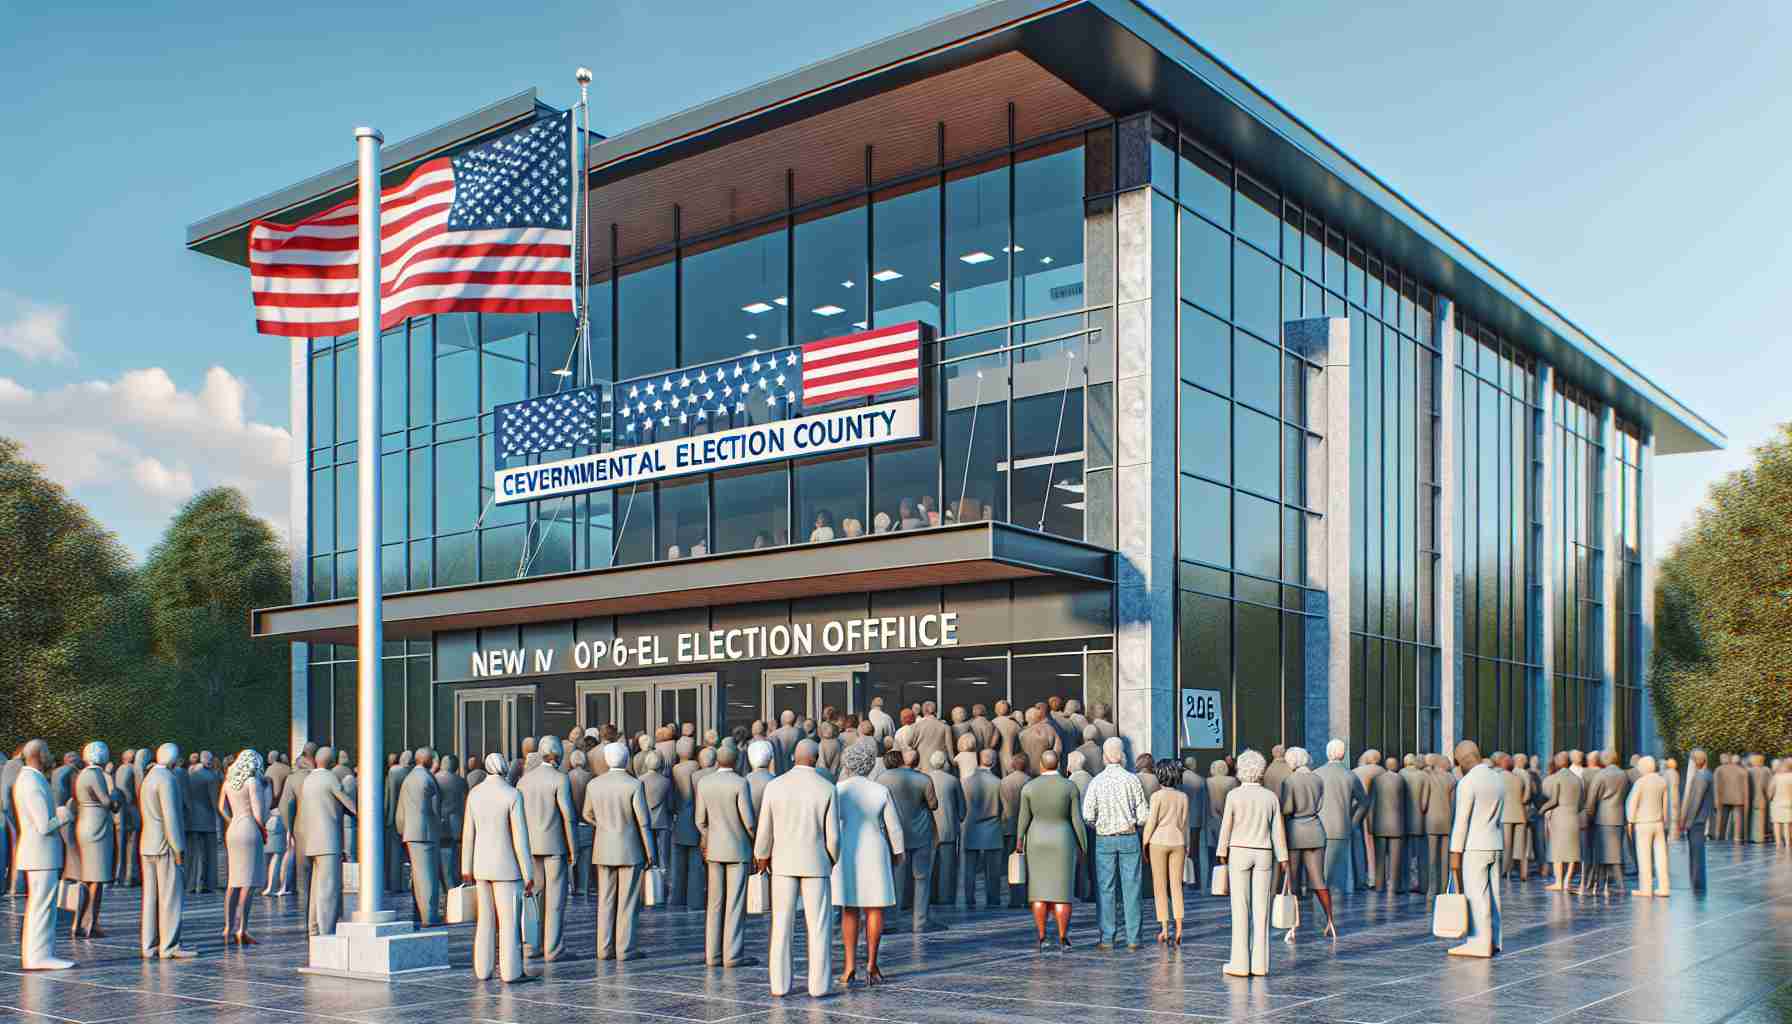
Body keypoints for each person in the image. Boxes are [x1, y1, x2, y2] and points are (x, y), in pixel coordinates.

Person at [755, 739, 840, 998]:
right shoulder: (827, 788)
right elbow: (833, 836)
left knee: (781, 924)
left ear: (794, 757)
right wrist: (831, 858)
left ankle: (779, 985)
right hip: (816, 861)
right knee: (819, 926)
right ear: (815, 759)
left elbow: (764, 827)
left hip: (782, 862)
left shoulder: (775, 785)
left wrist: (762, 855)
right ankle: (819, 985)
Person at [832, 744, 903, 986]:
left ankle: (849, 965)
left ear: (847, 763)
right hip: (875, 848)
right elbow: (893, 826)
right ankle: (872, 964)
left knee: (849, 909)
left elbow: (830, 823)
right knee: (875, 908)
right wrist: (898, 852)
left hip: (847, 848)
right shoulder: (880, 790)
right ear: (871, 763)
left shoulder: (838, 789)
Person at [462, 753, 535, 983]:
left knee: (485, 921)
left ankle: (483, 970)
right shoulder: (512, 795)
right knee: (509, 922)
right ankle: (511, 971)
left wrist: (466, 867)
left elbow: (468, 834)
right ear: (504, 768)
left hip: (480, 866)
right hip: (507, 868)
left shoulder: (475, 794)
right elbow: (520, 839)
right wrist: (528, 873)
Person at [1216, 749, 1287, 978]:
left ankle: (1239, 963)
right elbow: (1278, 831)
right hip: (1264, 852)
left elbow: (1226, 825)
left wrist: (1221, 851)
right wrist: (1283, 857)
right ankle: (1260, 964)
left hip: (1238, 851)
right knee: (1261, 910)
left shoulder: (1234, 795)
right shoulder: (1270, 797)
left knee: (1240, 908)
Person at [583, 743, 654, 961]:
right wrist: (650, 850)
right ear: (626, 759)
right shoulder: (634, 784)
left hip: (603, 847)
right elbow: (643, 822)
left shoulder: (594, 785)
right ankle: (625, 949)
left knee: (605, 900)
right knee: (628, 901)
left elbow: (587, 814)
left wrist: (602, 825)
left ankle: (603, 949)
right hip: (630, 847)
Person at [14, 740, 77, 970]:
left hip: (39, 854)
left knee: (41, 906)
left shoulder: (31, 779)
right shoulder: (31, 781)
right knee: (42, 906)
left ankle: (40, 954)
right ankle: (39, 956)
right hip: (40, 854)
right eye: (48, 751)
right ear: (39, 755)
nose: (51, 755)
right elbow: (44, 824)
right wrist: (64, 813)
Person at [1082, 737, 1148, 951]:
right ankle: (1133, 938)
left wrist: (1098, 826)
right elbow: (1143, 816)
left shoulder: (1096, 781)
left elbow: (1087, 815)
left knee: (1105, 889)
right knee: (1132, 888)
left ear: (1104, 756)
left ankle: (1108, 938)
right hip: (1129, 836)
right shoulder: (1132, 780)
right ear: (1122, 755)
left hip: (1104, 839)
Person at [1016, 749, 1086, 950]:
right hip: (1062, 840)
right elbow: (1076, 820)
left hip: (1037, 839)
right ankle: (1063, 937)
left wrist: (1019, 841)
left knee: (1039, 891)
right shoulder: (1069, 787)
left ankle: (1042, 936)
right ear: (1058, 764)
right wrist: (1083, 845)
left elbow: (1023, 819)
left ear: (1041, 764)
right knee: (1062, 892)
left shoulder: (1029, 788)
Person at [695, 743, 756, 968]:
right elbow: (748, 821)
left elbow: (700, 819)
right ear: (736, 760)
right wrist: (755, 841)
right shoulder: (740, 783)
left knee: (714, 903)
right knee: (735, 903)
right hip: (738, 847)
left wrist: (707, 835)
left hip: (713, 847)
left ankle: (712, 954)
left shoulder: (704, 782)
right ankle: (732, 954)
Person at [518, 736, 576, 961]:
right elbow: (568, 817)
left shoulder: (524, 781)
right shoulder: (560, 779)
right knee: (555, 900)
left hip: (530, 846)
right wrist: (574, 848)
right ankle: (553, 948)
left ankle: (532, 946)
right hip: (554, 846)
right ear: (559, 754)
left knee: (533, 898)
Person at [1447, 740, 1504, 958]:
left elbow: (1461, 821)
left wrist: (1455, 853)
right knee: (1494, 895)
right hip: (1495, 842)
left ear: (1462, 761)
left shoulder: (1468, 782)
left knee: (1476, 895)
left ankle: (1479, 941)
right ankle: (1495, 939)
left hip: (1474, 845)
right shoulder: (1497, 778)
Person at [138, 742, 193, 960]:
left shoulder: (148, 777)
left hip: (148, 843)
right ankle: (169, 945)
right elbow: (171, 817)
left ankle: (148, 945)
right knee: (170, 896)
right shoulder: (168, 779)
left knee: (150, 898)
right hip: (165, 845)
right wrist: (178, 847)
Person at [1277, 747, 1337, 939]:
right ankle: (1330, 921)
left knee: (1292, 880)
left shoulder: (1289, 781)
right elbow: (1320, 804)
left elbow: (1287, 808)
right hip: (1316, 829)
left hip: (1296, 831)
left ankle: (1293, 926)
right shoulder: (1317, 778)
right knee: (1319, 879)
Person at [880, 749, 942, 933]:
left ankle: (891, 920)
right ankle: (920, 921)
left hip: (894, 835)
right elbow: (933, 804)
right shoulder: (923, 779)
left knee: (894, 879)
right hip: (921, 832)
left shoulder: (881, 780)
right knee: (922, 877)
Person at [298, 744, 356, 937]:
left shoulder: (309, 780)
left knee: (316, 888)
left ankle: (313, 927)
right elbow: (347, 802)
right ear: (332, 762)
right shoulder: (330, 778)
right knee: (329, 888)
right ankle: (326, 930)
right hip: (328, 840)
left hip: (311, 839)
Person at [69, 741, 120, 938]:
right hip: (97, 827)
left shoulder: (83, 774)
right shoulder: (96, 775)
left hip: (85, 824)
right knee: (97, 879)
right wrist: (115, 795)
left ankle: (79, 921)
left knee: (87, 878)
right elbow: (108, 802)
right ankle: (91, 923)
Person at [217, 749, 267, 945]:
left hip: (234, 829)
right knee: (248, 882)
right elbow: (259, 814)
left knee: (233, 881)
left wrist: (231, 820)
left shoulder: (229, 782)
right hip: (249, 829)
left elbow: (221, 807)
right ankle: (242, 928)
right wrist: (262, 828)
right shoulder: (252, 782)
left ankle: (227, 926)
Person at [1141, 757, 1191, 947]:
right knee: (1176, 886)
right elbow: (1184, 823)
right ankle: (1179, 927)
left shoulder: (1156, 797)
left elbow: (1151, 823)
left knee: (1160, 886)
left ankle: (1164, 928)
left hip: (1158, 842)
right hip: (1177, 840)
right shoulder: (1183, 797)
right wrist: (1187, 845)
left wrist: (1144, 844)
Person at [396, 747, 444, 928]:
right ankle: (429, 916)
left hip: (412, 832)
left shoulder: (409, 778)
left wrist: (403, 829)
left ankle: (420, 913)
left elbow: (400, 811)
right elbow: (435, 809)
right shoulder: (428, 779)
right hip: (426, 832)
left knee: (418, 875)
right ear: (430, 760)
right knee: (428, 876)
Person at [1314, 740, 1367, 894]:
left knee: (1321, 873)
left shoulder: (1316, 773)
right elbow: (1364, 802)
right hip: (1342, 828)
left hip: (1319, 827)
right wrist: (1353, 822)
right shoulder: (1350, 775)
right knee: (1340, 875)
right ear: (1343, 754)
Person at [1626, 755, 1671, 898]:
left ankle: (1646, 888)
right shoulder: (1662, 781)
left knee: (1644, 856)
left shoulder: (1640, 782)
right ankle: (1664, 888)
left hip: (1643, 824)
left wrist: (1630, 821)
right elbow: (1665, 804)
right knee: (1661, 857)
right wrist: (1664, 820)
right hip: (1658, 823)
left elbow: (1633, 803)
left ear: (1643, 768)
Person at [1538, 752, 1583, 892]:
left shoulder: (1556, 778)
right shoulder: (1577, 779)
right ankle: (1567, 881)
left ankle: (1558, 881)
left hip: (1559, 817)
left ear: (1557, 763)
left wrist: (1541, 810)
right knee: (1572, 851)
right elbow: (1582, 802)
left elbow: (1554, 800)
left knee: (1557, 850)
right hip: (1573, 816)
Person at [926, 750, 964, 907]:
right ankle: (946, 897)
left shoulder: (924, 778)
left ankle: (931, 896)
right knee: (948, 867)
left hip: (929, 828)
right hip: (948, 827)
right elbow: (962, 807)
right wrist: (960, 817)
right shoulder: (953, 780)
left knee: (929, 866)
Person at [183, 751, 222, 894]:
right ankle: (206, 884)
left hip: (190, 819)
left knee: (192, 854)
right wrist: (219, 820)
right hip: (206, 820)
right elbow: (214, 801)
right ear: (208, 760)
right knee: (207, 855)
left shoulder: (189, 774)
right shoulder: (211, 776)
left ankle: (191, 884)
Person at [1368, 756, 1407, 891]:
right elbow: (1405, 804)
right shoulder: (1401, 780)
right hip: (1397, 823)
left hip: (1379, 823)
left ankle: (1379, 885)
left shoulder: (1376, 780)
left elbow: (1371, 804)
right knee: (1395, 859)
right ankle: (1394, 886)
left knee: (1379, 859)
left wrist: (1370, 824)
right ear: (1395, 766)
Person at [1679, 749, 1715, 892]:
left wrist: (1688, 822)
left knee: (1696, 853)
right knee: (1696, 852)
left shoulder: (1700, 777)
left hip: (1697, 820)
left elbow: (1696, 801)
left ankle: (1697, 882)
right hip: (1699, 819)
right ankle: (1697, 881)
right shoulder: (1706, 774)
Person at [435, 753, 468, 896]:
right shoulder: (460, 781)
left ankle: (444, 890)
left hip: (439, 825)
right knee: (454, 862)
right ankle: (453, 891)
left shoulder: (435, 780)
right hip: (456, 825)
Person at [1498, 753, 1532, 882]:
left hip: (1505, 814)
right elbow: (1526, 796)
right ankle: (1523, 873)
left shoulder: (1498, 777)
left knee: (1507, 845)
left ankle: (1506, 871)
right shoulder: (1519, 778)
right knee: (1521, 846)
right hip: (1520, 813)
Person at [113, 747, 141, 889]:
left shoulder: (118, 769)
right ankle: (130, 876)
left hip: (119, 811)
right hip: (131, 810)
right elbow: (138, 790)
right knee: (132, 844)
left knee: (120, 846)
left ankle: (119, 875)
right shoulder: (134, 769)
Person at [1715, 753, 1748, 840]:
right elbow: (1746, 788)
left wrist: (1716, 800)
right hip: (1738, 799)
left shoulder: (1719, 770)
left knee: (1722, 821)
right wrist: (1746, 801)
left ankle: (1720, 838)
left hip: (1723, 799)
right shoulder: (1741, 770)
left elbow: (1716, 787)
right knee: (1738, 822)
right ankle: (1737, 838)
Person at [1747, 754, 1774, 845]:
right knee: (1761, 818)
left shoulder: (1748, 770)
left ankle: (1753, 837)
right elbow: (1769, 785)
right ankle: (1759, 837)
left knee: (1752, 818)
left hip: (1749, 798)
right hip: (1762, 797)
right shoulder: (1766, 770)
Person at [1772, 758, 1792, 849]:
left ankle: (1778, 843)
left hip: (1777, 802)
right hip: (1789, 803)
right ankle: (1788, 843)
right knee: (1787, 824)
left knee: (1777, 823)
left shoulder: (1776, 776)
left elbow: (1771, 790)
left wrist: (1770, 797)